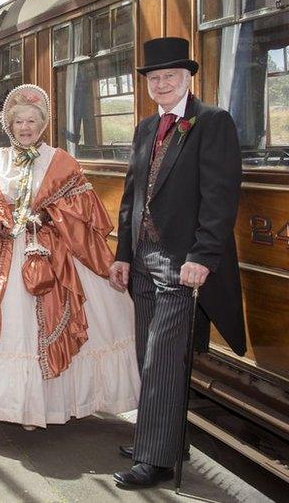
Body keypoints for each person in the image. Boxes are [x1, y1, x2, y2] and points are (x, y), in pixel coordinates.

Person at [0, 84, 140, 433]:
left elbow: (83, 213)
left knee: (33, 334)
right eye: (19, 121)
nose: (26, 127)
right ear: (9, 125)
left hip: (44, 254)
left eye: (32, 121)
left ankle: (31, 406)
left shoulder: (60, 161)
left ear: (43, 124)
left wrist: (48, 217)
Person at [110, 38, 245, 488]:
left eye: (170, 76)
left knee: (163, 358)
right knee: (148, 355)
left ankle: (155, 459)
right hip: (144, 260)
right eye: (154, 78)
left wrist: (203, 257)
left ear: (188, 78)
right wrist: (123, 256)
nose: (162, 83)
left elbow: (220, 198)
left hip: (181, 263)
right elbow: (132, 198)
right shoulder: (147, 127)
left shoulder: (211, 122)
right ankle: (165, 438)